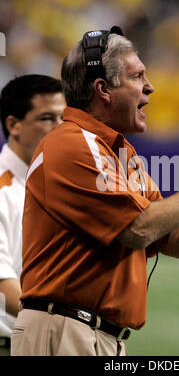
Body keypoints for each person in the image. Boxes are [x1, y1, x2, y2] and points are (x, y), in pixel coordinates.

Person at [11, 27, 179, 356]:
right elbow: (139, 229)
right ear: (103, 89)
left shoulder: (120, 153)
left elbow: (174, 240)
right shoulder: (71, 144)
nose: (150, 87)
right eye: (138, 76)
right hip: (63, 330)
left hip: (95, 334)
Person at [0, 74, 66, 356]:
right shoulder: (3, 190)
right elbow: (3, 289)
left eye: (64, 118)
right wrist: (66, 319)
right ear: (13, 125)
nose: (60, 128)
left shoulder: (52, 184)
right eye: (47, 118)